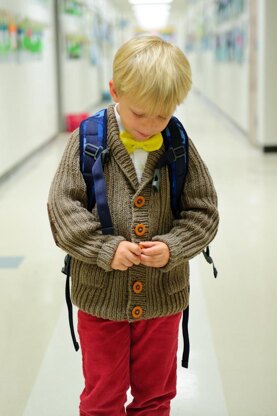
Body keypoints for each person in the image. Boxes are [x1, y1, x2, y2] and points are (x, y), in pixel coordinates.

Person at [47, 35, 219, 416]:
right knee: (102, 397)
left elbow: (203, 211)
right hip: (100, 298)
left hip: (162, 300)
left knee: (156, 397)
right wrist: (103, 249)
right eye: (140, 114)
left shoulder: (178, 144)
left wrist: (174, 246)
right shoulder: (87, 140)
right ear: (114, 91)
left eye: (163, 115)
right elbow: (63, 208)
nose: (150, 126)